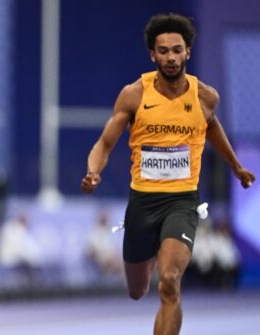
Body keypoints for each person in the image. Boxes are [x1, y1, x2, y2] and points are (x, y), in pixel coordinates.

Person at [80, 13, 255, 335]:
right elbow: (104, 143)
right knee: (137, 290)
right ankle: (142, 258)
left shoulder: (205, 96)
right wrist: (93, 172)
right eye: (163, 51)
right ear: (152, 54)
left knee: (170, 283)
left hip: (182, 201)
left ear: (188, 51)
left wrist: (236, 167)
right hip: (143, 202)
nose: (171, 57)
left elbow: (212, 128)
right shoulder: (134, 94)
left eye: (177, 50)